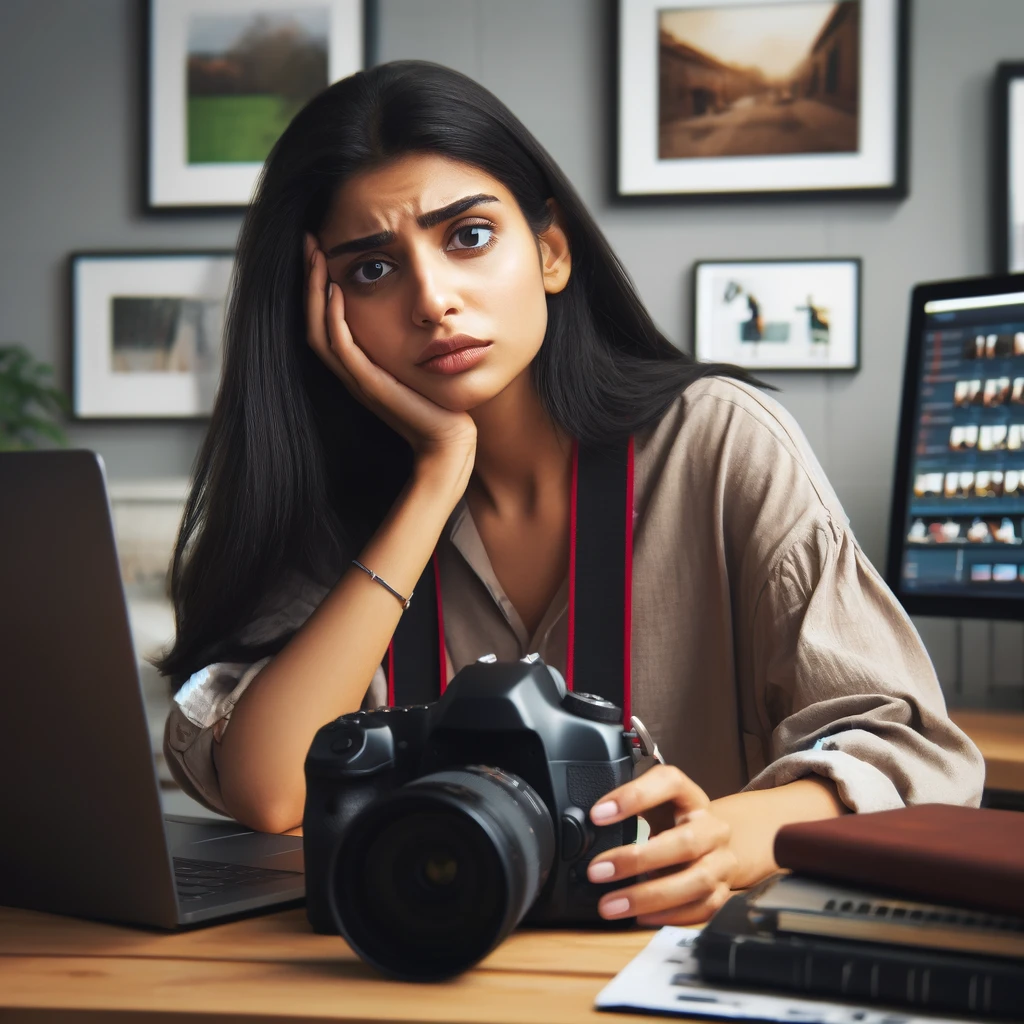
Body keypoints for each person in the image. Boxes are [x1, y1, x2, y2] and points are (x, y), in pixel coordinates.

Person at [157, 60, 984, 928]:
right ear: (320, 311)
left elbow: (912, 751)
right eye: (371, 271)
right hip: (406, 967)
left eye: (467, 237)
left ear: (551, 252)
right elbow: (269, 788)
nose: (433, 300)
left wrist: (732, 838)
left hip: (667, 969)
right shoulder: (325, 498)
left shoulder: (718, 441)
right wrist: (436, 476)